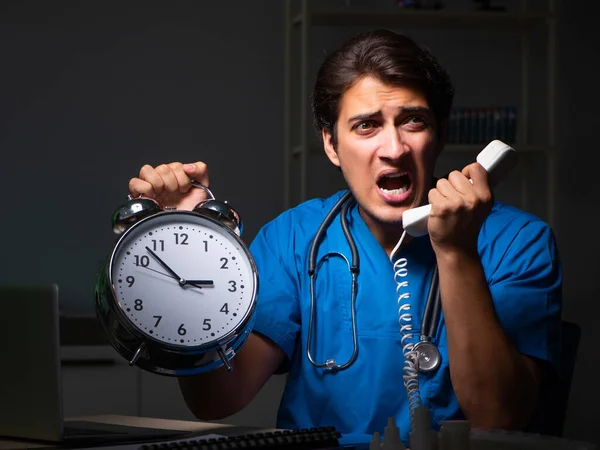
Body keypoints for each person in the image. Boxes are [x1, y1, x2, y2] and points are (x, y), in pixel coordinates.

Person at [127, 29, 562, 444]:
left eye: (413, 121)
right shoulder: (293, 239)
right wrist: (185, 246)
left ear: (440, 135)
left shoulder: (518, 241)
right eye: (366, 125)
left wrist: (456, 251)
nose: (394, 148)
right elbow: (216, 399)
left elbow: (499, 418)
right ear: (331, 144)